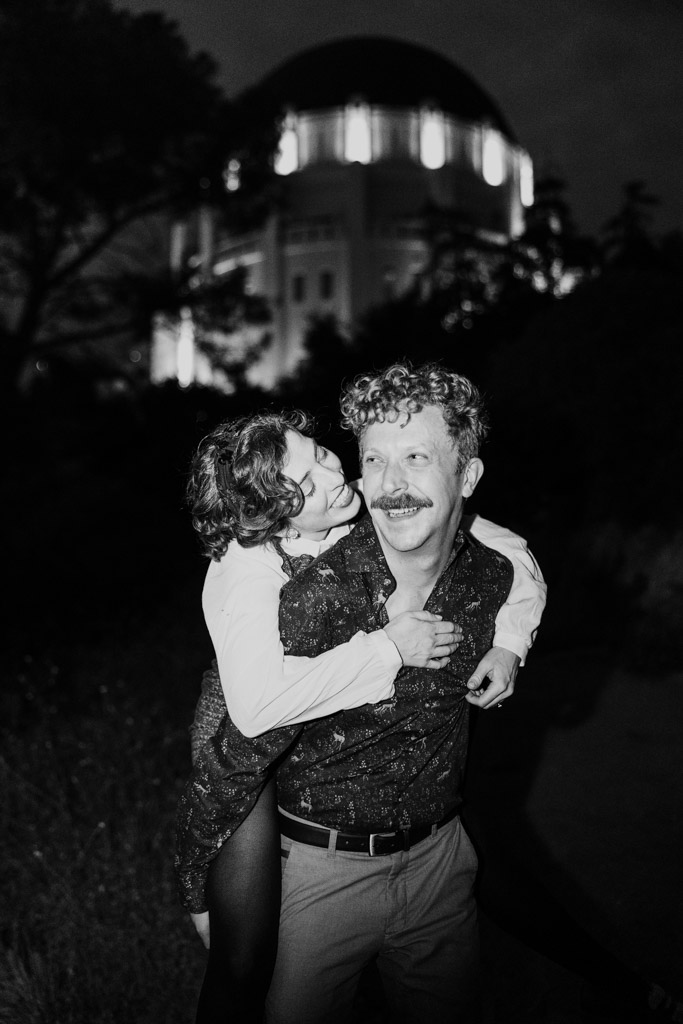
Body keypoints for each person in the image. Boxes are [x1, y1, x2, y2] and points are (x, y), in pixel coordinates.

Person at [177, 363, 526, 1023]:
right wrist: (389, 648)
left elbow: (489, 536)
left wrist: (511, 639)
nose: (336, 478)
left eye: (323, 455)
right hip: (240, 719)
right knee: (241, 958)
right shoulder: (246, 574)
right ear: (274, 517)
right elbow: (252, 714)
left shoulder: (347, 511)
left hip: (423, 844)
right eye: (305, 485)